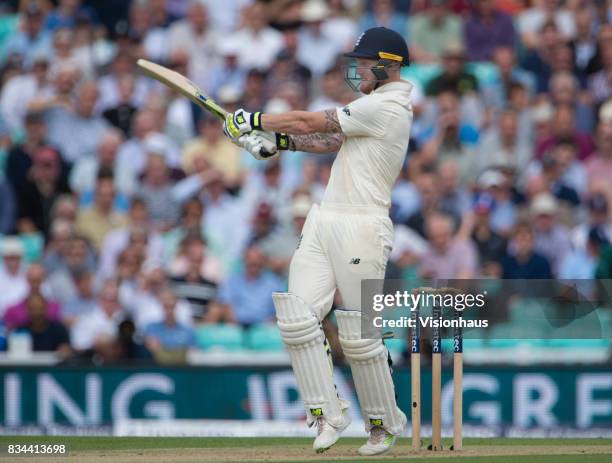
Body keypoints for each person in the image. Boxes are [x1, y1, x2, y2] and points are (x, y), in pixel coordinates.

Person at [223, 27, 411, 456]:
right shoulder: (369, 106)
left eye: (364, 62)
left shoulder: (391, 107)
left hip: (364, 224)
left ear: (386, 64)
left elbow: (314, 120)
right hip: (325, 218)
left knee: (360, 334)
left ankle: (383, 423)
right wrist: (280, 143)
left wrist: (252, 120)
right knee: (296, 317)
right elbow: (330, 139)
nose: (357, 69)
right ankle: (328, 414)